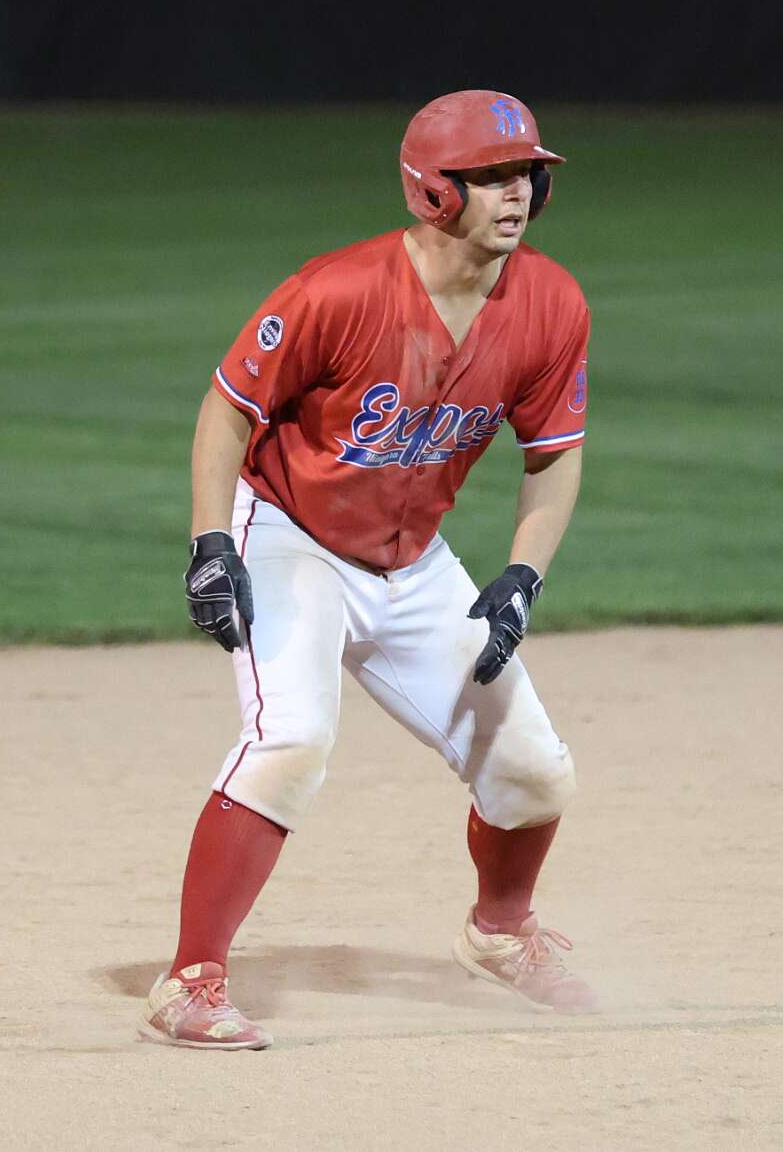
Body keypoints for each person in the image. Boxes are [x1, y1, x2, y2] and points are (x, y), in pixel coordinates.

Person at [141, 90, 596, 1051]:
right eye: (491, 176)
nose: (518, 192)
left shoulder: (551, 303)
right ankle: (190, 981)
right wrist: (211, 543)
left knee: (533, 770)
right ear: (434, 192)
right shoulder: (337, 292)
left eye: (527, 173)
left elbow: (554, 452)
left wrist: (523, 575)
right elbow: (228, 409)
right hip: (290, 535)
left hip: (415, 563)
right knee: (292, 739)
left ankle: (500, 932)